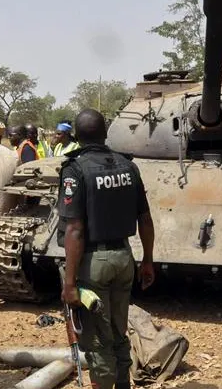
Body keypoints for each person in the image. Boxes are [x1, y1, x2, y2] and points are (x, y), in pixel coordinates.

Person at [58, 109, 156, 389]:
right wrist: (147, 260)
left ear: (76, 137)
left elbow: (75, 229)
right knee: (118, 330)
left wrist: (69, 283)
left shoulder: (75, 169)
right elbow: (145, 218)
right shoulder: (128, 166)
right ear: (106, 133)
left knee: (98, 339)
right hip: (125, 257)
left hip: (93, 263)